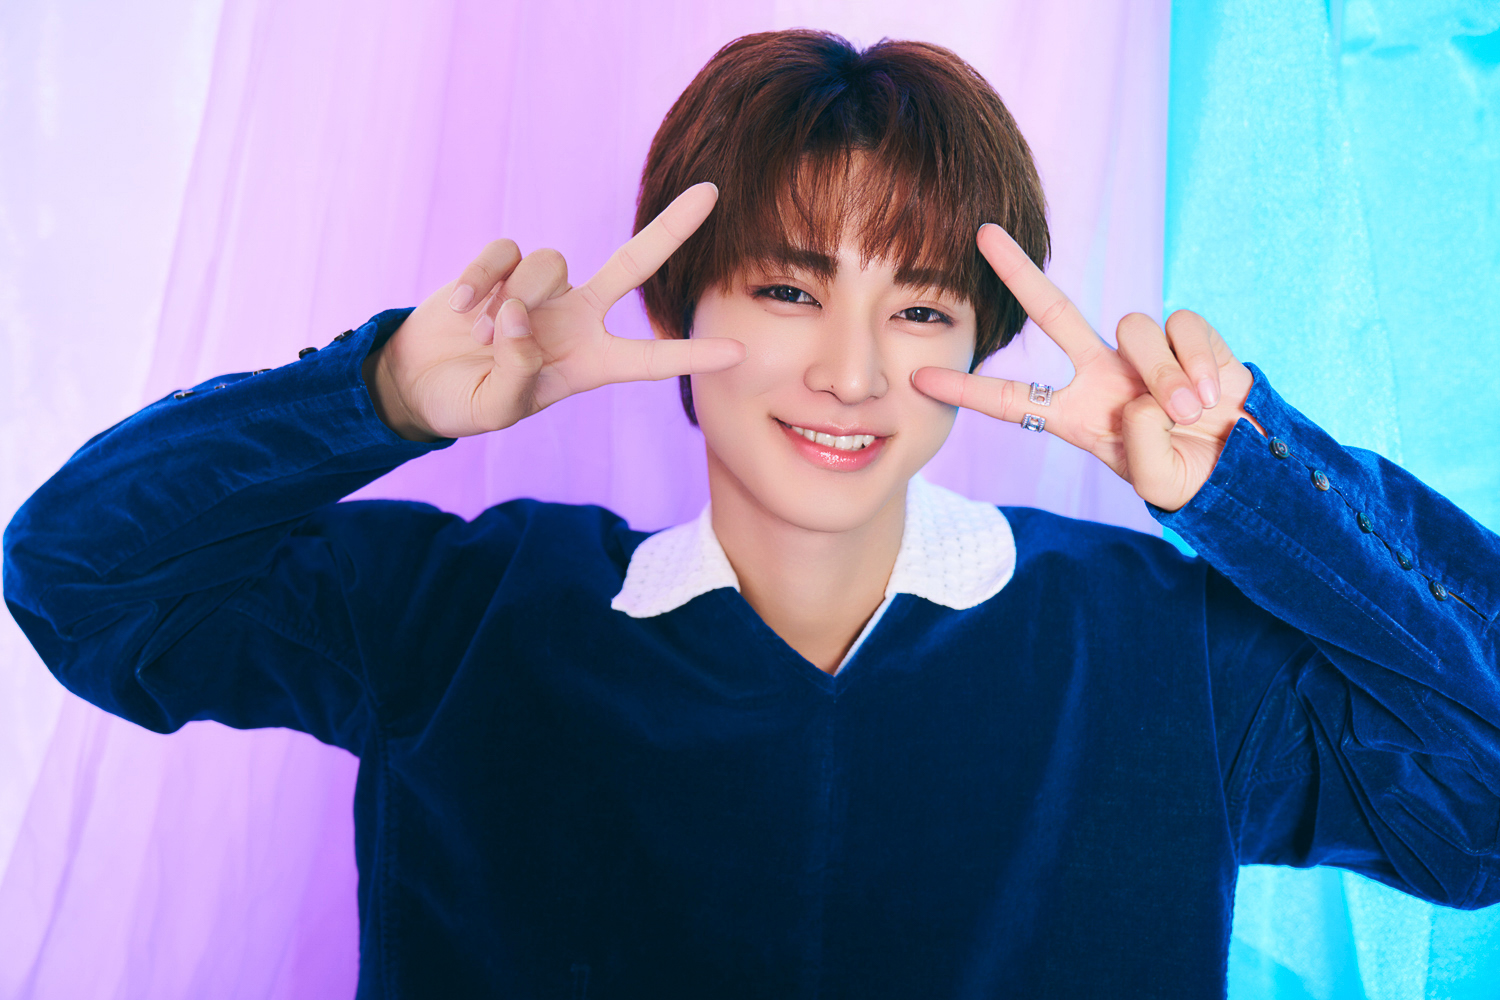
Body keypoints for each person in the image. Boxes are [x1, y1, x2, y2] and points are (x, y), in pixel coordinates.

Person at [5, 28, 1498, 999]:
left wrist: (1254, 487)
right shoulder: (461, 617)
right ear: (680, 305)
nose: (851, 371)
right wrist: (382, 393)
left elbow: (1477, 812)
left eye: (920, 308)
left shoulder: (1164, 651)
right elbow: (84, 577)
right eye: (789, 289)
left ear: (981, 344)